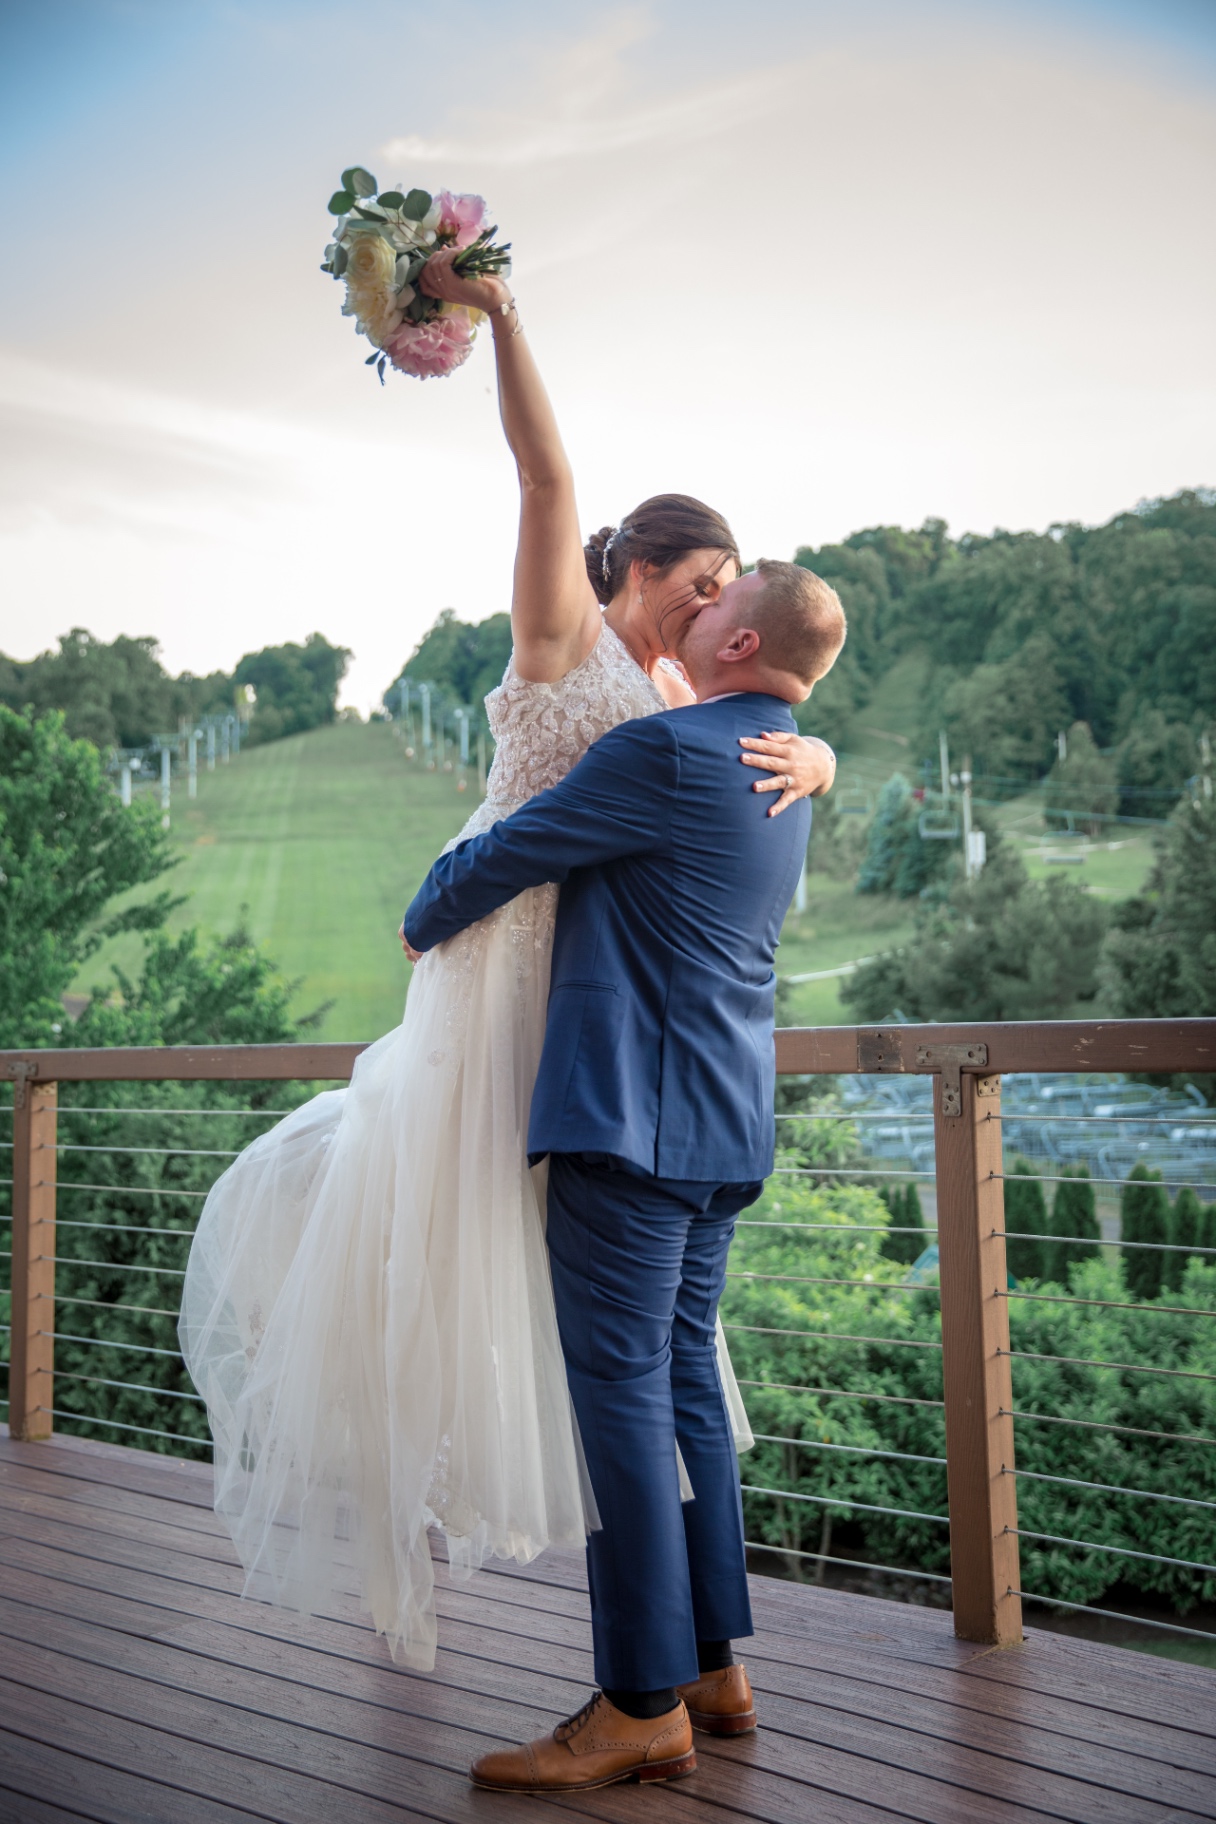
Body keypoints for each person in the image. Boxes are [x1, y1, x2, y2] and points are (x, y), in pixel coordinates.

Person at [179, 250, 836, 1672]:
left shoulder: (680, 701)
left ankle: (666, 1673)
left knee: (624, 1350)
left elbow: (759, 720)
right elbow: (545, 481)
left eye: (735, 586)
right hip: (502, 978)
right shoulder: (563, 646)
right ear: (638, 571)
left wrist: (824, 749)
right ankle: (656, 1658)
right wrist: (505, 319)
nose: (719, 599)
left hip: (599, 1025)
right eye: (702, 576)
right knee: (489, 1275)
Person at [404, 558, 847, 1793]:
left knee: (623, 1402)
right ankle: (713, 1666)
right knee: (685, 1384)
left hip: (630, 1123)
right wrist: (823, 750)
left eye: (720, 595)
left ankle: (638, 1703)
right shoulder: (781, 761)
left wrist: (425, 910)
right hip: (723, 1125)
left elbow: (519, 845)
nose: (697, 604)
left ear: (742, 639)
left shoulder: (668, 754)